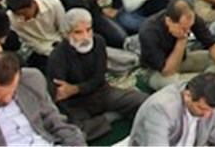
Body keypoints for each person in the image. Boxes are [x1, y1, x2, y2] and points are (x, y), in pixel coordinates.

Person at [46, 8, 147, 140]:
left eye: (88, 30)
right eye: (78, 32)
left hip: (100, 92)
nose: (86, 37)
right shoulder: (57, 56)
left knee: (141, 100)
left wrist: (75, 89)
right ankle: (109, 117)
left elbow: (99, 78)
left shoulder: (98, 42)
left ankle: (102, 119)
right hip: (76, 104)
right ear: (67, 34)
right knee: (76, 133)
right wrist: (72, 92)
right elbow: (61, 93)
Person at [0, 52, 85, 145]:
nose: (7, 99)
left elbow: (53, 120)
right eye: (0, 95)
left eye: (12, 92)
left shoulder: (31, 79)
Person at [138, 0, 215, 91]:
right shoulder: (149, 32)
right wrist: (181, 40)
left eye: (190, 27)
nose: (188, 31)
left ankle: (208, 80)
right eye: (184, 28)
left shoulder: (190, 19)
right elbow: (167, 71)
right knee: (180, 84)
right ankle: (207, 81)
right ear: (169, 21)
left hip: (182, 59)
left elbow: (212, 45)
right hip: (157, 71)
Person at [129, 72, 215, 146]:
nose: (207, 115)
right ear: (187, 96)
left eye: (210, 110)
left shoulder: (212, 102)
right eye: (201, 108)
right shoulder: (161, 108)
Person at [6, 0, 66, 73]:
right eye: (18, 15)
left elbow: (64, 30)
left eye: (24, 14)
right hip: (38, 51)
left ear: (33, 3)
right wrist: (51, 53)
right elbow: (31, 42)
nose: (22, 17)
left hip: (60, 43)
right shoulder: (11, 18)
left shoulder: (53, 4)